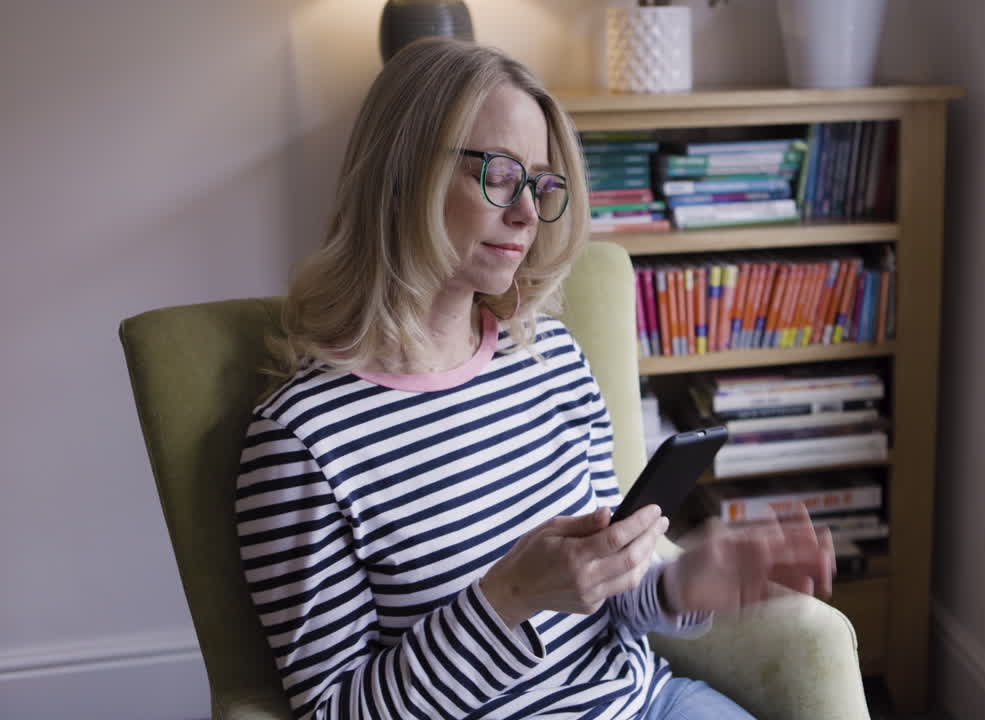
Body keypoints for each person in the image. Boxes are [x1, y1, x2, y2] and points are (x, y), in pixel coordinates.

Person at [235, 37, 835, 720]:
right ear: (399, 174)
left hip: (647, 706)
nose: (525, 213)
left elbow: (606, 595)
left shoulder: (549, 357)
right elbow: (336, 712)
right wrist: (508, 597)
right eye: (497, 174)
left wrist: (680, 584)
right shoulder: (300, 441)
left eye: (542, 184)